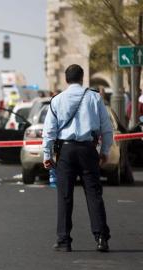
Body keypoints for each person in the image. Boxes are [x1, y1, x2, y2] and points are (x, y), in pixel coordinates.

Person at [42, 64, 113, 252]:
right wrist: (104, 151)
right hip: (88, 150)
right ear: (83, 78)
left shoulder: (57, 100)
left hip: (66, 151)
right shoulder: (94, 97)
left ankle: (64, 240)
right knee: (93, 194)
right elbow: (106, 128)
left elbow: (49, 131)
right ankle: (101, 239)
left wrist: (47, 154)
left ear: (66, 79)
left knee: (65, 195)